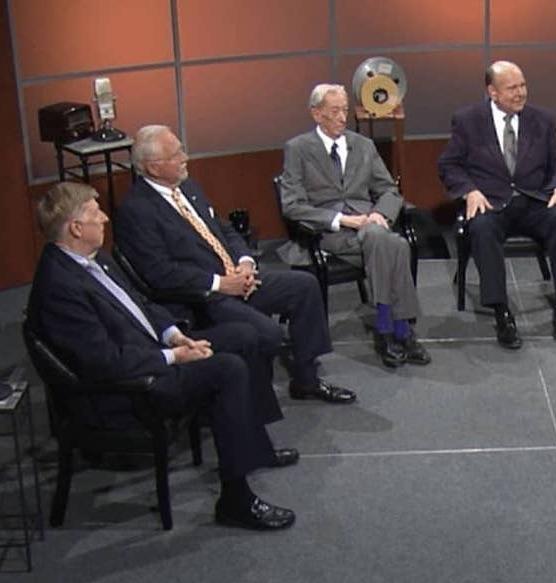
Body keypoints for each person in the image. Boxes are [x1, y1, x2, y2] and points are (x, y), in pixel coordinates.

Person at [28, 182, 297, 530]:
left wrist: (175, 334)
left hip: (150, 349)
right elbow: (104, 362)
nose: (105, 218)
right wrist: (174, 357)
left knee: (244, 336)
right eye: (96, 214)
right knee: (228, 369)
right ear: (76, 228)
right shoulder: (59, 287)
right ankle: (236, 501)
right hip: (128, 387)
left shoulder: (91, 259)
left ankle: (254, 445)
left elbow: (142, 305)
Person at [115, 125, 355, 404]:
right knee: (268, 333)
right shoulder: (136, 211)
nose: (185, 158)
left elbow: (225, 229)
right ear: (154, 168)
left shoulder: (188, 188)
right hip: (203, 296)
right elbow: (159, 273)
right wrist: (220, 284)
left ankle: (307, 380)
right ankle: (254, 407)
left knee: (304, 286)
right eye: (177, 153)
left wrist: (245, 262)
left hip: (237, 277)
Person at [279, 83, 429, 368]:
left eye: (344, 110)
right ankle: (400, 330)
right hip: (329, 232)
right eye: (334, 111)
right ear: (316, 114)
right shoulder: (298, 149)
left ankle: (388, 330)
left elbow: (388, 190)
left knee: (381, 238)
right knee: (395, 245)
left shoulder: (363, 145)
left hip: (368, 225)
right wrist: (342, 220)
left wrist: (381, 216)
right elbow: (292, 205)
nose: (341, 117)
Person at [438, 60, 556, 348]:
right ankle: (501, 311)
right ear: (492, 92)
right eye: (512, 88)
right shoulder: (468, 120)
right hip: (491, 203)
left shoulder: (543, 120)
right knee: (482, 229)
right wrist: (470, 191)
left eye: (523, 85)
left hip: (534, 201)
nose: (520, 93)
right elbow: (449, 165)